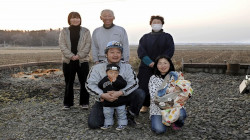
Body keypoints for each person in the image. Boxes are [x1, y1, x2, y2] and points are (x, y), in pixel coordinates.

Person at [86, 41, 145, 129]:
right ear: (106, 54)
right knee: (94, 124)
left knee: (140, 93)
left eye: (118, 52)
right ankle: (111, 112)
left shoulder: (127, 67)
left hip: (122, 97)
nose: (115, 55)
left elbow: (134, 83)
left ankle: (130, 114)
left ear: (121, 54)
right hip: (104, 99)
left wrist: (120, 92)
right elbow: (89, 85)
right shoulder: (97, 67)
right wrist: (102, 94)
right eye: (112, 52)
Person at [137, 15, 175, 113]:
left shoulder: (167, 37)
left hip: (163, 66)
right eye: (154, 22)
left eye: (158, 22)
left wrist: (159, 63)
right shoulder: (145, 37)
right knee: (144, 85)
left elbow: (170, 51)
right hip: (146, 66)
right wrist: (149, 62)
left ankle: (164, 105)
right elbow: (141, 51)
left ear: (162, 24)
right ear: (151, 24)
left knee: (164, 86)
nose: (156, 24)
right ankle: (145, 105)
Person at [149, 55, 191, 134]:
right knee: (159, 130)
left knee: (181, 115)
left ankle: (177, 122)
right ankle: (158, 119)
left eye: (165, 63)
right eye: (160, 63)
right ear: (156, 65)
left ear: (170, 64)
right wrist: (172, 92)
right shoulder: (153, 78)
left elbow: (187, 88)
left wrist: (187, 96)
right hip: (158, 108)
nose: (163, 66)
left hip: (174, 106)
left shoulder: (176, 75)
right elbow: (153, 96)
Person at [59, 12, 91, 110]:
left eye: (77, 18)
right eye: (73, 18)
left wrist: (79, 56)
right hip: (68, 61)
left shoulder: (86, 31)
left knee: (84, 82)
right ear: (69, 20)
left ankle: (84, 103)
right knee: (69, 82)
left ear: (80, 19)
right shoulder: (64, 31)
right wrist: (71, 56)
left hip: (82, 60)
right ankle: (68, 103)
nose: (75, 20)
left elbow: (88, 45)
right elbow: (62, 45)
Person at [98, 63, 127, 130]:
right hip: (107, 101)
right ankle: (108, 123)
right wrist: (102, 96)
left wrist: (116, 81)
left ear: (118, 73)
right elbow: (99, 87)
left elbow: (124, 85)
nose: (113, 74)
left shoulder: (120, 78)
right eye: (111, 72)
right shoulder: (104, 80)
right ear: (106, 72)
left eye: (115, 73)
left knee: (121, 113)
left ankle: (122, 123)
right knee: (107, 113)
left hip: (119, 100)